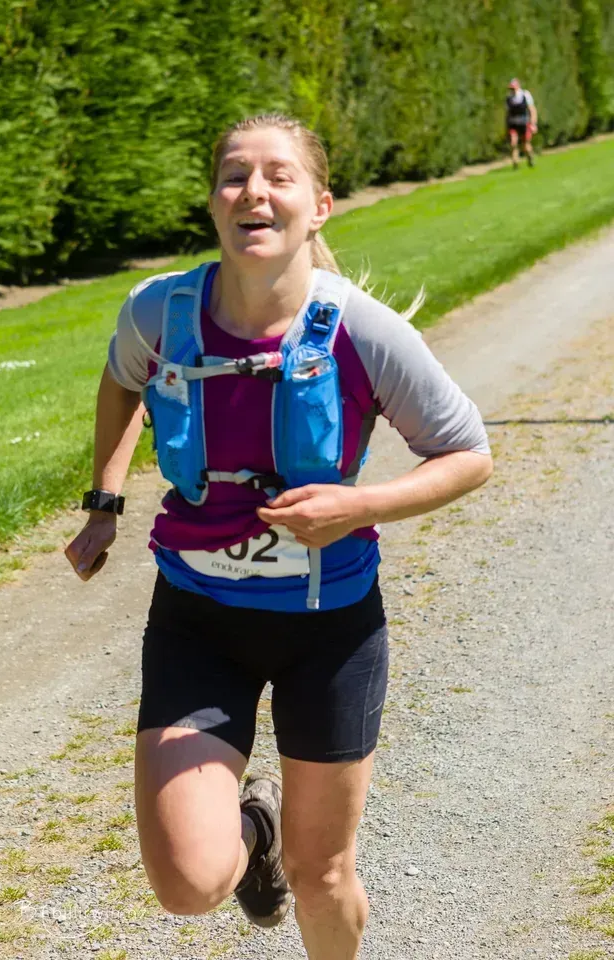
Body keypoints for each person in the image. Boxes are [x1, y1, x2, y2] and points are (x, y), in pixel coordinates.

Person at [65, 113, 493, 960]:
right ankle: (254, 828)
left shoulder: (362, 331)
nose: (252, 191)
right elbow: (121, 381)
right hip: (198, 618)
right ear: (213, 202)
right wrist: (104, 502)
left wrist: (358, 507)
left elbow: (469, 455)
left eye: (278, 176)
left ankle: (286, 855)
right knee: (187, 884)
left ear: (320, 205)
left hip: (329, 630)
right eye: (234, 175)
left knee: (321, 871)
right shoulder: (161, 312)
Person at [506, 78, 538, 168]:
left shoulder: (525, 95)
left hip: (524, 123)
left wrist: (533, 124)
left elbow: (532, 109)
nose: (512, 90)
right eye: (511, 88)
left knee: (526, 145)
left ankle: (530, 158)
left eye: (513, 88)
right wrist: (506, 127)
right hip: (513, 124)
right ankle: (515, 163)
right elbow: (507, 114)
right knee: (513, 143)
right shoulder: (508, 99)